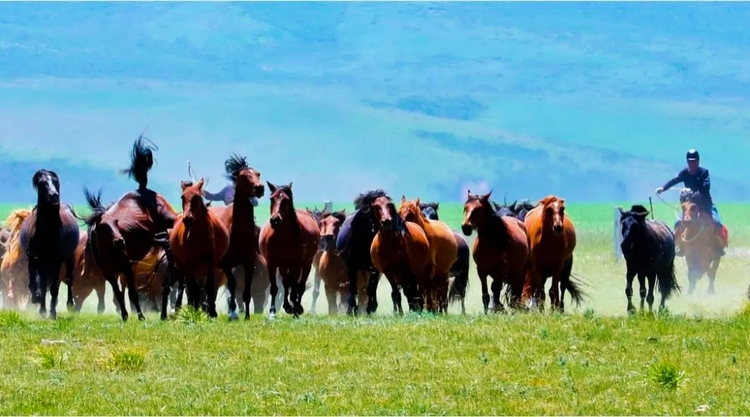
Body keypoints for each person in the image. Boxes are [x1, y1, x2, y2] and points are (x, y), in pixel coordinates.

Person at [655, 149, 725, 256]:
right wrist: (663, 188)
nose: (693, 163)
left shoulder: (704, 173)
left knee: (717, 223)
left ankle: (718, 246)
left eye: (695, 161)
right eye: (690, 161)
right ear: (687, 162)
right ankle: (680, 246)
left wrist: (694, 192)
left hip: (706, 205)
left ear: (698, 161)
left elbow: (706, 187)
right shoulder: (684, 173)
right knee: (678, 224)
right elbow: (675, 180)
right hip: (690, 206)